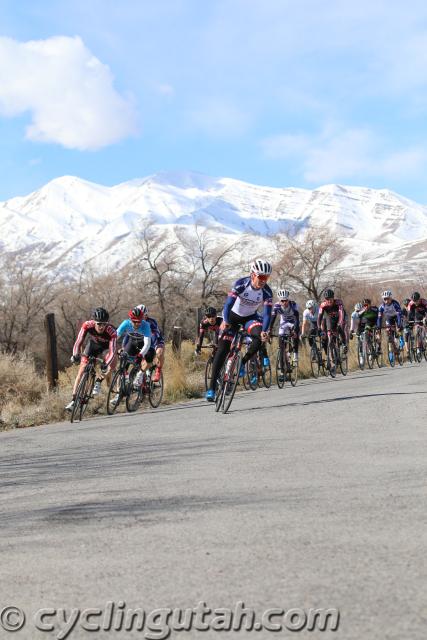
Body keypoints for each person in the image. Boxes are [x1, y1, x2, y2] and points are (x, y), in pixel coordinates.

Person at [206, 259, 273, 401]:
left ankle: (242, 362)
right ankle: (211, 388)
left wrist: (265, 331)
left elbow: (267, 313)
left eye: (266, 278)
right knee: (222, 349)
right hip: (233, 317)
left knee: (259, 337)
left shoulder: (267, 291)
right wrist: (225, 321)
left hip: (250, 317)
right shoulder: (241, 284)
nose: (263, 281)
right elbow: (228, 304)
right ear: (253, 275)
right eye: (261, 277)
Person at [65, 307, 117, 411]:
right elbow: (78, 341)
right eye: (99, 324)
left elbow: (112, 351)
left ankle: (98, 381)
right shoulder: (87, 325)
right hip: (94, 345)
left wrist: (106, 364)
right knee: (82, 370)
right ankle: (74, 400)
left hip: (107, 348)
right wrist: (75, 355)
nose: (102, 327)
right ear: (94, 322)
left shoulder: (112, 332)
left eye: (104, 324)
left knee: (109, 365)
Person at [116, 307, 154, 389]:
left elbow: (147, 343)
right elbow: (115, 337)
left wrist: (140, 355)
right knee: (123, 364)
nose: (137, 324)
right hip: (133, 343)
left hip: (145, 345)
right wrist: (113, 348)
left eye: (139, 322)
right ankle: (119, 393)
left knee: (149, 358)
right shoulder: (126, 323)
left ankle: (140, 374)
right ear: (130, 320)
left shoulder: (146, 325)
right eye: (134, 322)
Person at [269, 289, 300, 378]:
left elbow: (297, 319)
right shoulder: (277, 306)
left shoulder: (293, 305)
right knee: (281, 346)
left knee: (295, 334)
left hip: (293, 321)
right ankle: (282, 372)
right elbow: (273, 319)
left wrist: (295, 331)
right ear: (279, 300)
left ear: (288, 300)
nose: (284, 302)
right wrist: (270, 330)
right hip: (284, 322)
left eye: (286, 300)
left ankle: (295, 354)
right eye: (282, 301)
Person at [136, 304, 165, 382]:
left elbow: (155, 334)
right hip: (144, 342)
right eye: (140, 316)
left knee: (159, 353)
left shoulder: (151, 322)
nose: (142, 318)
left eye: (144, 315)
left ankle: (158, 369)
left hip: (155, 340)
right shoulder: (134, 322)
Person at [317, 289, 346, 357]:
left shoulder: (338, 302)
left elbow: (341, 314)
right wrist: (318, 327)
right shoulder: (323, 305)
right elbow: (319, 317)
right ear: (325, 299)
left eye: (331, 298)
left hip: (338, 317)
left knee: (340, 328)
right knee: (324, 334)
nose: (329, 300)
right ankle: (328, 354)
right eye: (327, 299)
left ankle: (344, 345)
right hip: (328, 319)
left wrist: (339, 324)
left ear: (333, 297)